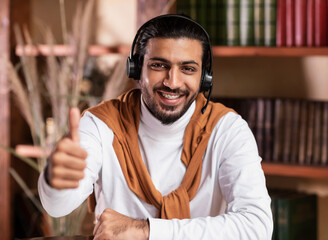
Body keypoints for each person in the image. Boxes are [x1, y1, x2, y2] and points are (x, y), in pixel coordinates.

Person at [38, 14, 273, 240]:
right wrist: (54, 179)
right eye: (159, 65)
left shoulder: (228, 130)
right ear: (137, 69)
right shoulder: (99, 125)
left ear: (205, 78)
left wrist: (146, 231)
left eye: (188, 69)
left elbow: (257, 227)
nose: (173, 82)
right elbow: (57, 208)